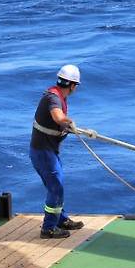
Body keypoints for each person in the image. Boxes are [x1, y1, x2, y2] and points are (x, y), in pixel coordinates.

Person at [30, 64, 85, 239]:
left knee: (56, 185)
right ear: (73, 85)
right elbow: (57, 117)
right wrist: (67, 122)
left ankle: (60, 219)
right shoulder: (53, 98)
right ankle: (48, 228)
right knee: (56, 187)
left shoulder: (57, 96)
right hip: (43, 153)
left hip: (48, 151)